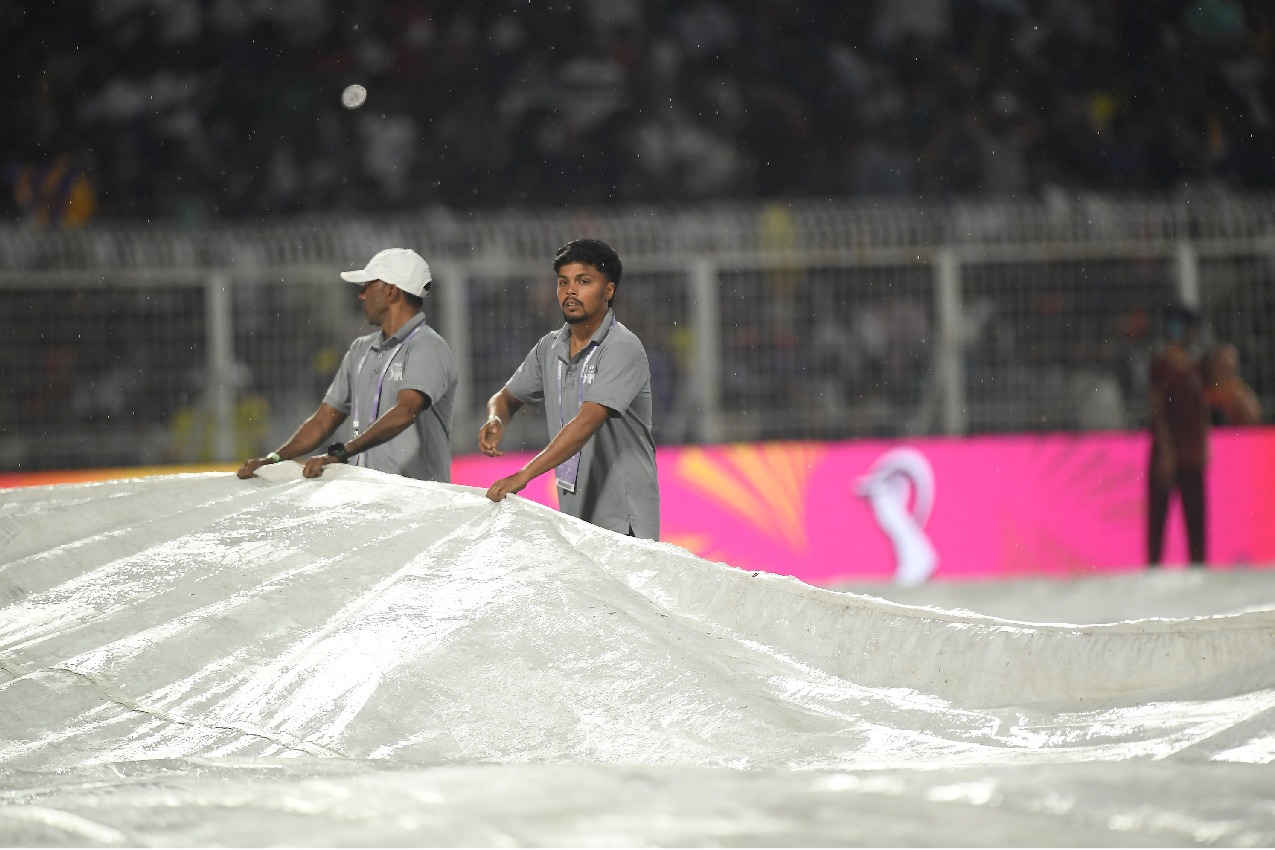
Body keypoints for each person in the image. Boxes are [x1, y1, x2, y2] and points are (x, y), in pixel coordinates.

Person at [479, 239, 660, 539]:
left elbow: (587, 422)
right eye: (563, 282)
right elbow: (506, 397)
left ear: (609, 291)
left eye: (584, 281)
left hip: (623, 522)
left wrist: (523, 476)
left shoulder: (621, 347)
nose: (570, 291)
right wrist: (496, 418)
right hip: (577, 519)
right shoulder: (549, 348)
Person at [237, 248, 458, 481]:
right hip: (368, 500)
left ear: (391, 291)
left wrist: (342, 453)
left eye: (368, 286)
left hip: (420, 503)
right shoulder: (360, 350)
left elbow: (406, 411)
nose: (361, 295)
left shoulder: (428, 346)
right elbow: (323, 420)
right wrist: (274, 460)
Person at [1146, 305, 1208, 566]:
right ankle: (1154, 568)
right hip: (1167, 451)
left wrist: (1205, 443)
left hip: (1191, 450)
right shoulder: (1160, 366)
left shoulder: (1197, 366)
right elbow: (1157, 412)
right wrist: (1167, 450)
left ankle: (1199, 567)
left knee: (1196, 518)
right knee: (1158, 517)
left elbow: (1202, 409)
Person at [1203, 342, 1263, 426]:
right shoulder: (1206, 391)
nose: (1225, 372)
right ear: (1214, 366)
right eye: (1222, 366)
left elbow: (1256, 416)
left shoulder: (1238, 388)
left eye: (1229, 367)